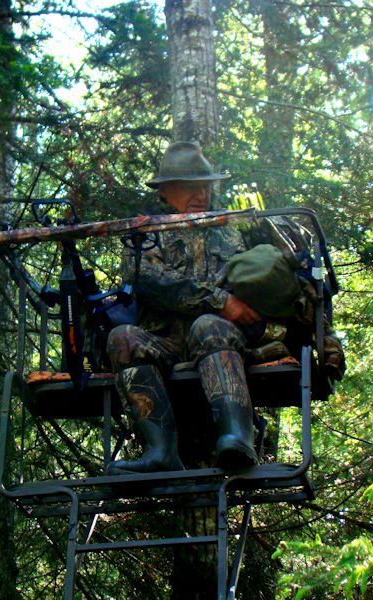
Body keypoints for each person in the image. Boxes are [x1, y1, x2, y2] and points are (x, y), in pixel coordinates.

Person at [105, 141, 264, 474]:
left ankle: (238, 439)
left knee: (208, 325)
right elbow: (148, 280)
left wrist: (229, 306)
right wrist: (220, 301)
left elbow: (254, 282)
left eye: (205, 185)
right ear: (165, 192)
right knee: (123, 337)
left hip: (222, 341)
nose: (200, 194)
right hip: (167, 344)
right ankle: (160, 452)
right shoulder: (147, 234)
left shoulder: (231, 231)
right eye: (190, 186)